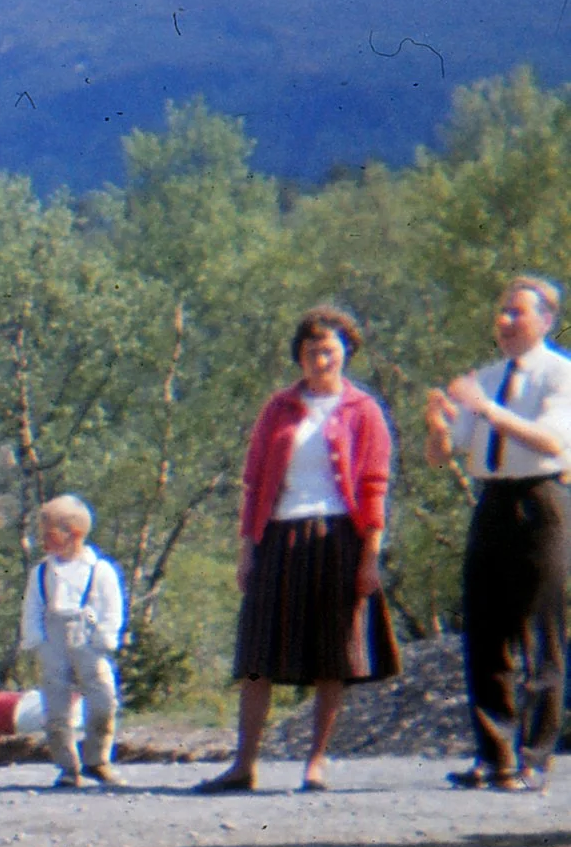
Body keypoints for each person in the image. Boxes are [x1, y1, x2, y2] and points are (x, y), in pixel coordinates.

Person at [199, 307, 400, 794]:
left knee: (332, 651)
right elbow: (253, 483)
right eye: (311, 351)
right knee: (258, 652)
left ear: (346, 352)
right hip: (279, 536)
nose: (321, 359)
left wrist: (370, 555)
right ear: (299, 356)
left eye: (329, 350)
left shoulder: (363, 410)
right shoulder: (279, 408)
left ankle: (316, 762)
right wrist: (247, 549)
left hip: (338, 537)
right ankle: (244, 763)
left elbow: (374, 485)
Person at [424, 275, 571, 792]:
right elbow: (445, 455)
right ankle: (495, 755)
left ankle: (534, 755)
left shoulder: (559, 374)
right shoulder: (486, 378)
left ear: (545, 320)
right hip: (493, 500)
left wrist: (487, 410)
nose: (505, 321)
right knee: (485, 626)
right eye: (502, 312)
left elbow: (551, 442)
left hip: (541, 500)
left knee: (539, 628)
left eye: (517, 312)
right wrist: (439, 424)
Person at [20, 495, 129, 790]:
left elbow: (113, 606)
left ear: (74, 533)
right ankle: (67, 767)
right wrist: (36, 640)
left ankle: (97, 758)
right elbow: (32, 606)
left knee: (103, 699)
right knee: (56, 708)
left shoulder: (100, 570)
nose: (43, 539)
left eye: (49, 533)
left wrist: (106, 637)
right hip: (53, 642)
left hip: (89, 640)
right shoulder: (41, 572)